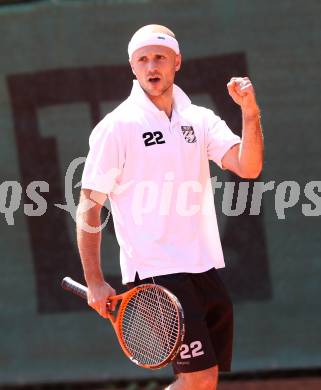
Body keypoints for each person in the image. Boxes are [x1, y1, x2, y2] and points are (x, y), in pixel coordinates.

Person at [77, 24, 263, 390]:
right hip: (156, 274)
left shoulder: (200, 119)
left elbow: (249, 166)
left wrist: (250, 113)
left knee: (204, 381)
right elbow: (88, 206)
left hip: (203, 267)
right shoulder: (116, 127)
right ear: (132, 67)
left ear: (176, 61)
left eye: (159, 57)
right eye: (142, 59)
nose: (151, 66)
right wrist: (95, 281)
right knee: (197, 381)